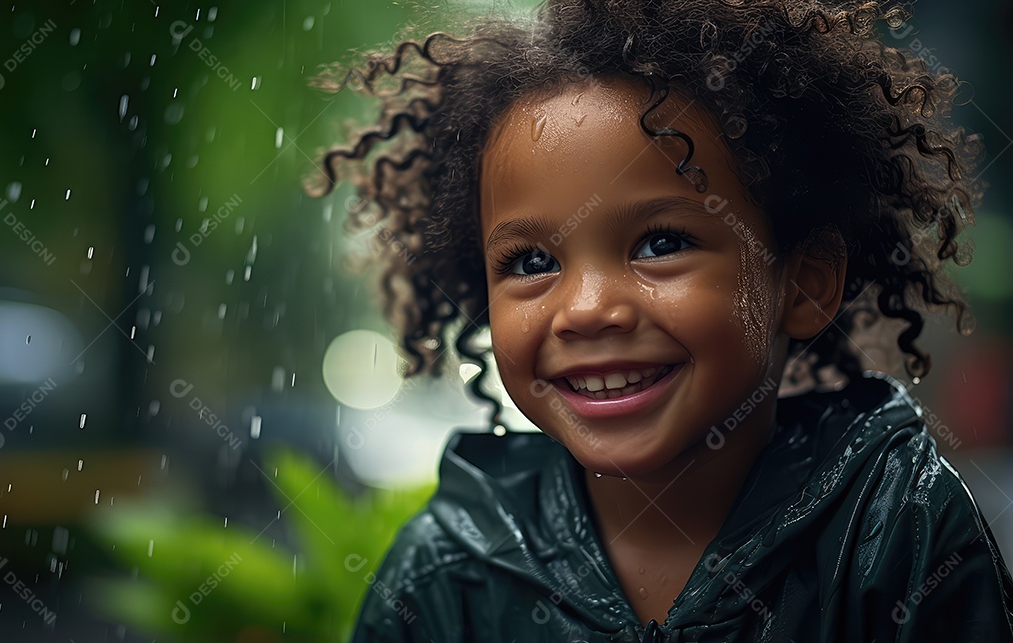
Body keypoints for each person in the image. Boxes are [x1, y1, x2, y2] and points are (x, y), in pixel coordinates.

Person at [309, 0, 1013, 640]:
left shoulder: (897, 533)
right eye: (531, 261)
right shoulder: (445, 577)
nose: (587, 310)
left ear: (803, 282)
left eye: (661, 244)